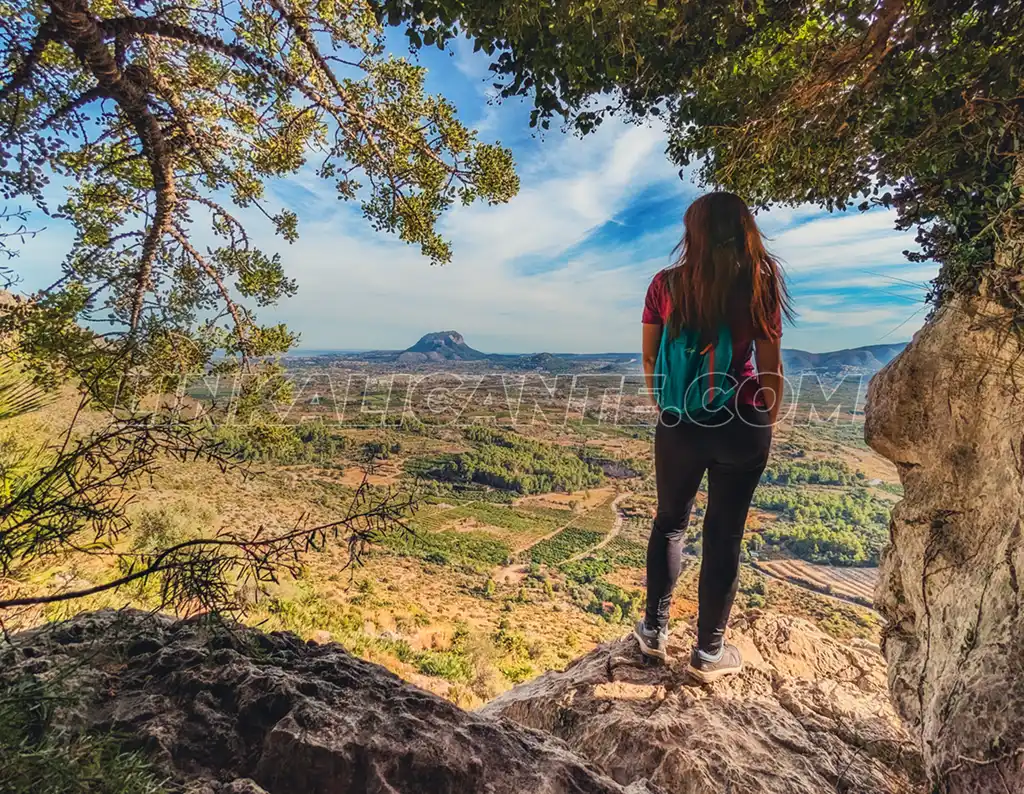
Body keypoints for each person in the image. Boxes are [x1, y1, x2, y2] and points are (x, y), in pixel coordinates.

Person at [634, 191, 792, 683]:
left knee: (670, 524)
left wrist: (671, 409)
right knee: (724, 535)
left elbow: (648, 360)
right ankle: (708, 654)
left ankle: (654, 633)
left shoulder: (665, 285)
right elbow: (770, 370)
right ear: (744, 230)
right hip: (742, 423)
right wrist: (766, 419)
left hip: (680, 424)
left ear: (693, 234)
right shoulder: (760, 285)